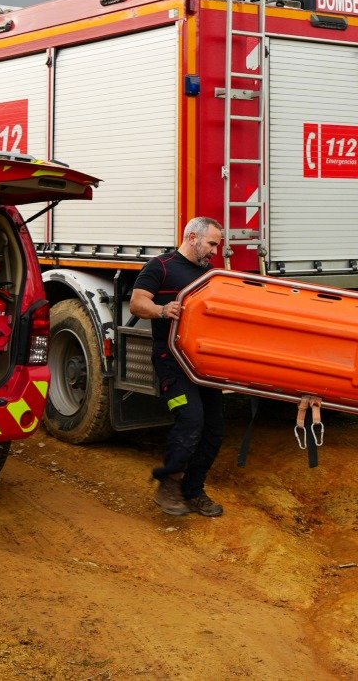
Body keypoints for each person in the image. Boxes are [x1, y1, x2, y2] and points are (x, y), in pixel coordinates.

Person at [129, 216, 228, 517]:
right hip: (171, 361)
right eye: (212, 243)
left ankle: (194, 491)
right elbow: (136, 303)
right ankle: (169, 487)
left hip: (203, 364)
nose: (215, 251)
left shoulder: (211, 275)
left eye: (217, 245)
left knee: (214, 428)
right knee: (190, 420)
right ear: (193, 237)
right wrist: (162, 309)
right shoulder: (160, 266)